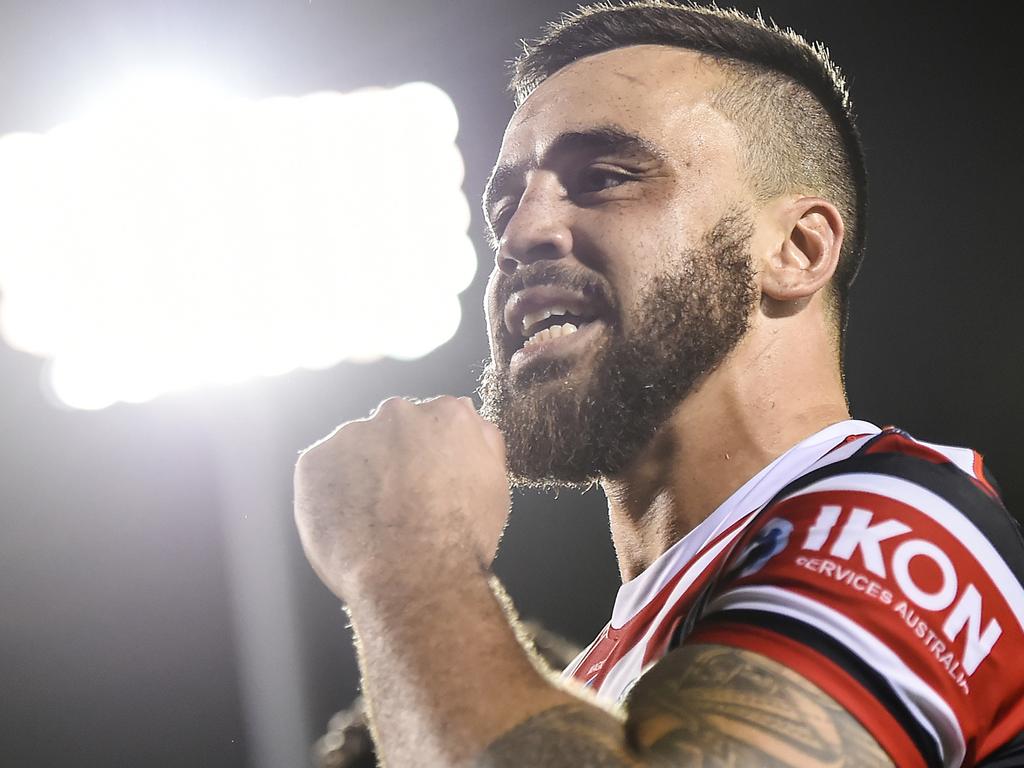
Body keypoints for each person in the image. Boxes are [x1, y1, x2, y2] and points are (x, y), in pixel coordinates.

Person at [293, 3, 1024, 766]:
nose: (519, 235)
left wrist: (408, 562)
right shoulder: (591, 688)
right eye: (504, 206)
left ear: (799, 249)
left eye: (605, 178)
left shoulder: (904, 525)